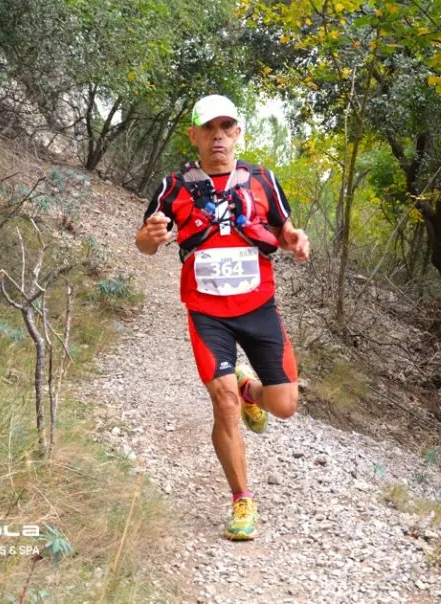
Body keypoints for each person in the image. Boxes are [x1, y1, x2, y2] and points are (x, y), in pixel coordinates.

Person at [135, 94, 310, 540]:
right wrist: (151, 236)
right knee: (223, 402)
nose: (218, 136)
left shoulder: (263, 180)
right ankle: (241, 500)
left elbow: (285, 228)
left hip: (258, 307)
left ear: (238, 133)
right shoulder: (173, 186)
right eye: (208, 128)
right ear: (193, 135)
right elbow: (145, 242)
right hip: (206, 311)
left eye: (226, 127)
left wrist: (294, 238)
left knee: (285, 405)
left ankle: (252, 389)